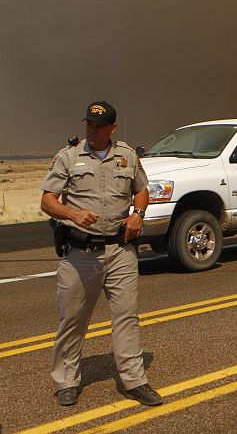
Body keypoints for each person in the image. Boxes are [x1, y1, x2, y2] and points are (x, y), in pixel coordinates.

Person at [40, 101, 162, 407]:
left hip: (121, 250)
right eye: (88, 125)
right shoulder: (69, 157)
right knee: (73, 319)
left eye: (98, 126)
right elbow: (47, 200)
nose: (91, 131)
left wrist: (139, 214)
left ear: (113, 127)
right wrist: (72, 213)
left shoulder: (127, 156)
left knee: (126, 317)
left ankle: (134, 380)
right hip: (81, 252)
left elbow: (142, 189)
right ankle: (67, 381)